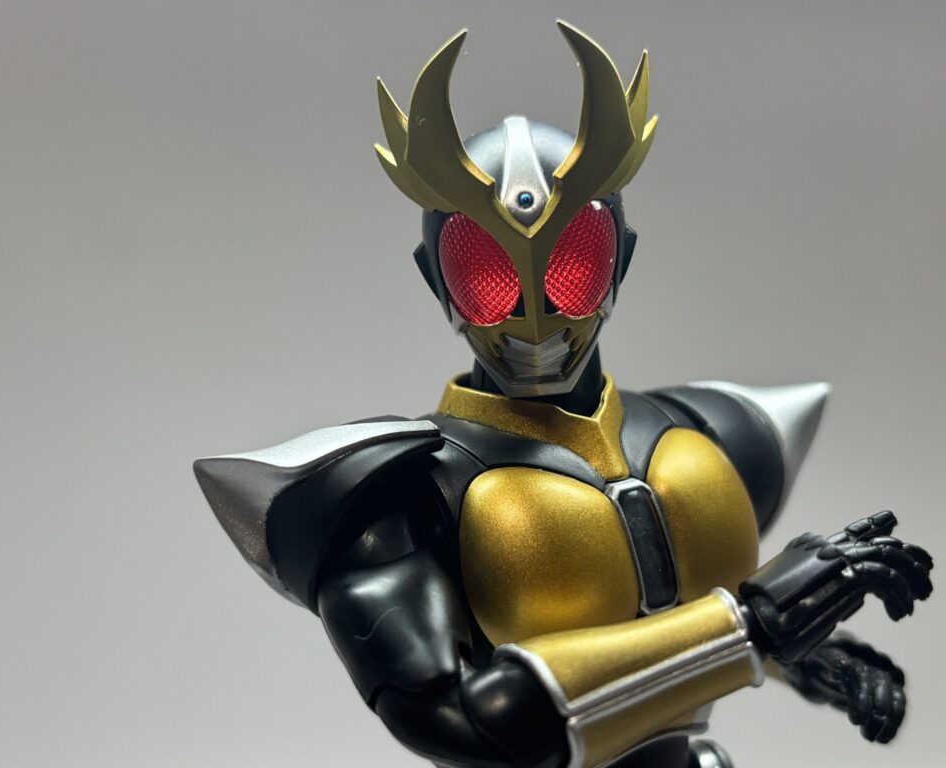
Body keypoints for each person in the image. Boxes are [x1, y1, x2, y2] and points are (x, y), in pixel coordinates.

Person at [194, 22, 933, 768]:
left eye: (571, 264)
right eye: (489, 275)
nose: (534, 313)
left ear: (621, 261)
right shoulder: (399, 494)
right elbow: (457, 719)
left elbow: (676, 614)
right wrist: (750, 629)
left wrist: (811, 654)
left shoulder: (710, 432)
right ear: (436, 280)